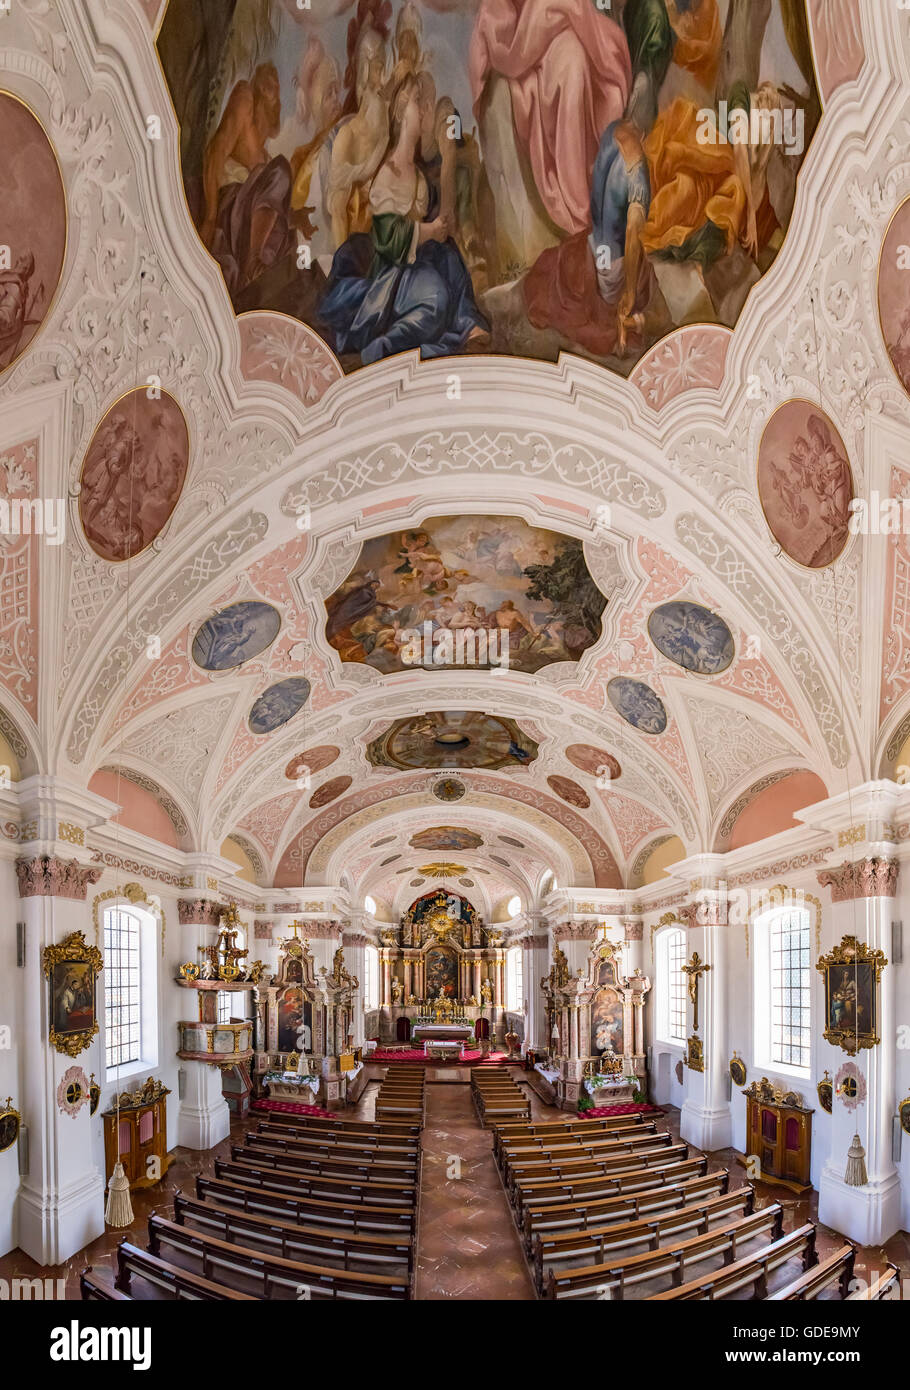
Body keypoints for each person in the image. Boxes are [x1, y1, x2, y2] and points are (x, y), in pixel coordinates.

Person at [318, 78, 490, 363]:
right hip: (392, 273)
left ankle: (467, 322)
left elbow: (446, 224)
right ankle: (384, 347)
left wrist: (448, 157)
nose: (423, 110)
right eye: (416, 103)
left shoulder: (421, 177)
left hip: (418, 264)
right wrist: (429, 230)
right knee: (436, 299)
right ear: (399, 112)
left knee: (448, 257)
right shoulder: (388, 173)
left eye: (424, 104)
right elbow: (388, 239)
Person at [199, 63, 294, 298]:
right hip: (231, 207)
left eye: (276, 88)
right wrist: (210, 218)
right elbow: (215, 153)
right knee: (282, 170)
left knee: (289, 237)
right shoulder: (245, 100)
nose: (272, 89)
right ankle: (252, 262)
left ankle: (259, 272)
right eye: (267, 82)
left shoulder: (264, 158)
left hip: (247, 221)